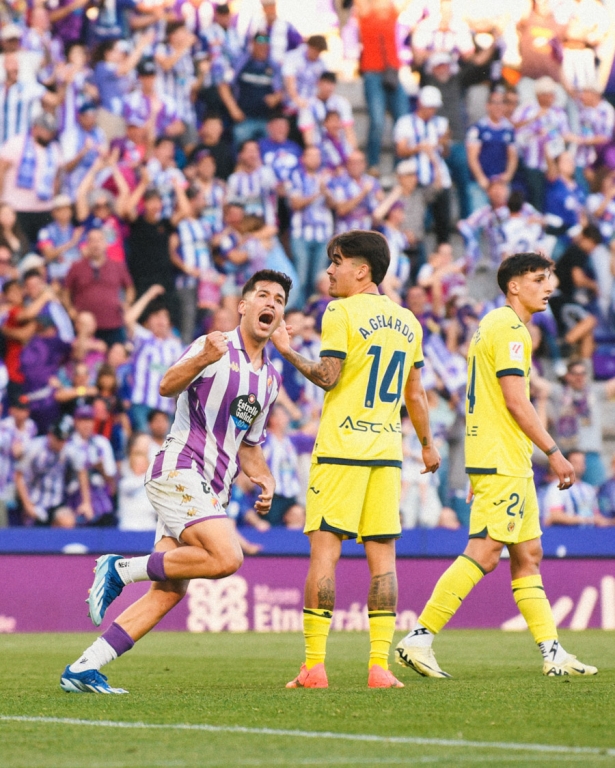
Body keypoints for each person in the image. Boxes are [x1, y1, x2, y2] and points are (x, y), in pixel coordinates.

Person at [60, 269, 292, 695]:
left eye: (279, 299)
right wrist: (202, 357)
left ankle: (83, 667)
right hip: (179, 469)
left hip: (210, 491)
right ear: (243, 306)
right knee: (228, 558)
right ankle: (120, 568)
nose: (271, 304)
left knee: (168, 592)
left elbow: (248, 444)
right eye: (263, 295)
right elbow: (166, 385)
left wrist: (266, 479)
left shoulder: (270, 380)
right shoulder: (213, 346)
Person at [395, 252, 598, 679]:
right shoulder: (509, 328)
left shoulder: (494, 325)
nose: (549, 287)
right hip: (503, 458)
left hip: (503, 459)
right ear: (514, 285)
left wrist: (478, 466)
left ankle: (552, 651)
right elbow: (513, 399)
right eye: (540, 279)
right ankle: (419, 636)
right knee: (486, 553)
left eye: (550, 280)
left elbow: (482, 397)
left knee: (529, 555)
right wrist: (554, 451)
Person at [271, 230, 440, 690]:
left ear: (361, 270)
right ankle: (379, 667)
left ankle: (314, 666)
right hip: (387, 454)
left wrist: (286, 350)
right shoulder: (409, 322)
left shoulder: (340, 311)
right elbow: (416, 393)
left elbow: (328, 376)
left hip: (341, 451)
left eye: (337, 261)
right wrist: (426, 444)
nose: (329, 269)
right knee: (383, 559)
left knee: (324, 554)